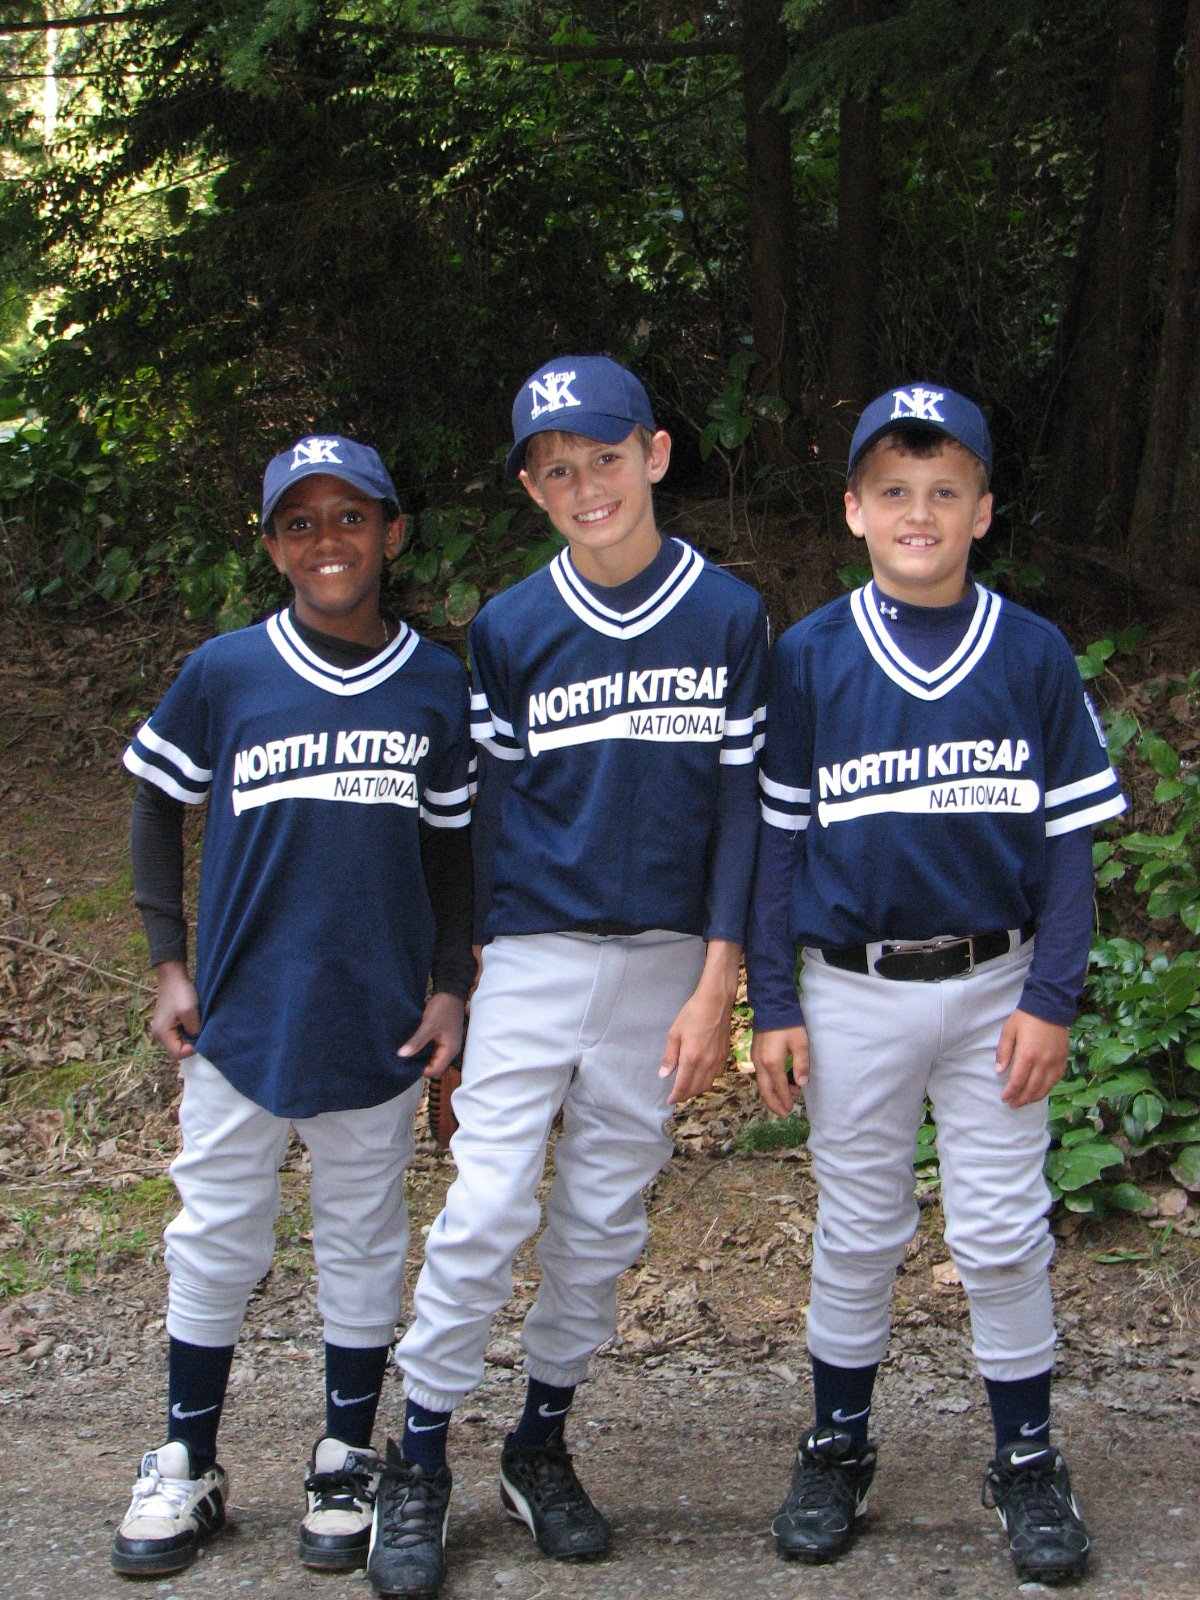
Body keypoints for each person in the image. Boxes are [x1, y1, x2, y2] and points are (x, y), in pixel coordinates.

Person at [364, 356, 769, 1599]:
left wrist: (720, 981)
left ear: (654, 453)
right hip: (531, 953)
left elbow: (744, 806)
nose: (586, 484)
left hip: (664, 959)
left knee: (601, 1219)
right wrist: (466, 973)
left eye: (604, 456)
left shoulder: (729, 613)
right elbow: (480, 816)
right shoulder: (510, 626)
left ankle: (538, 1441)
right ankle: (418, 1453)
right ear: (532, 489)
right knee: (487, 1206)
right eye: (556, 469)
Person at [746, 384, 1126, 1585]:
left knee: (1003, 1233)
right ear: (854, 508)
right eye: (896, 491)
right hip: (851, 988)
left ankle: (1026, 1458)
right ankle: (837, 1443)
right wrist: (774, 1001)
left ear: (984, 511)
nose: (921, 512)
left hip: (995, 985)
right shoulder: (809, 656)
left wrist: (1052, 997)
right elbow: (776, 847)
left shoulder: (1030, 650)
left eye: (945, 491)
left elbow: (1068, 849)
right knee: (859, 1228)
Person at [111, 435, 474, 1578]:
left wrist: (452, 984)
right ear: (273, 547)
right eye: (301, 523)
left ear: (393, 532)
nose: (329, 541)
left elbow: (455, 847)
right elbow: (154, 798)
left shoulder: (435, 683)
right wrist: (169, 961)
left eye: (351, 517)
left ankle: (344, 1455)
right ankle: (187, 1458)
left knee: (363, 1235)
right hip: (241, 1010)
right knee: (215, 1230)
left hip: (380, 1010)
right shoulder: (228, 670)